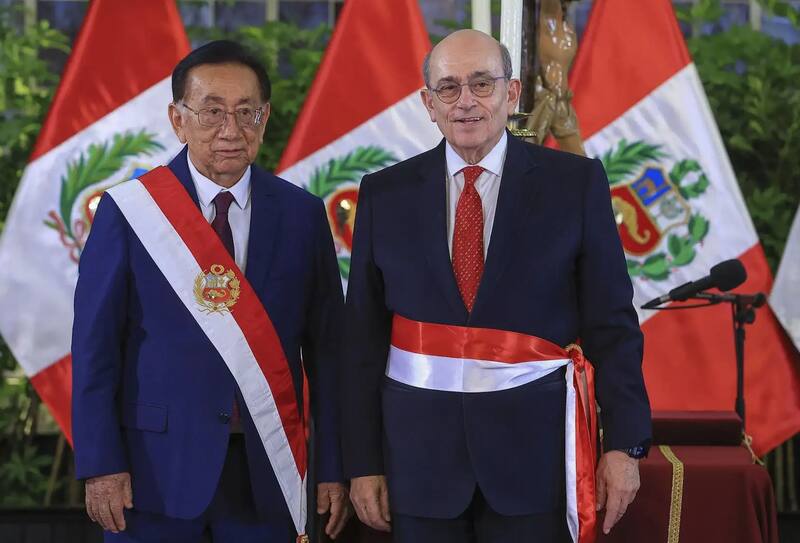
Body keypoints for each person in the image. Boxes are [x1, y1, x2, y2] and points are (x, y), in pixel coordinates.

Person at [342, 29, 651, 542]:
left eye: (482, 83)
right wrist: (361, 462)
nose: (465, 101)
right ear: (428, 104)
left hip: (535, 464)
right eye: (448, 88)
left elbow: (612, 326)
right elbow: (362, 343)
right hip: (417, 467)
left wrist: (625, 445)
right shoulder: (384, 194)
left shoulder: (575, 185)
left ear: (511, 93)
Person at [72, 40, 350, 542]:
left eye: (247, 112)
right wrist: (100, 463)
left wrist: (333, 467)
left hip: (269, 469)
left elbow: (329, 356)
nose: (231, 130)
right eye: (212, 112)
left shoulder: (302, 215)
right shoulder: (130, 212)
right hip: (153, 471)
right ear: (178, 119)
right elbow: (95, 349)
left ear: (265, 118)